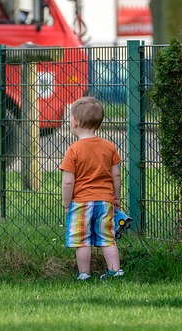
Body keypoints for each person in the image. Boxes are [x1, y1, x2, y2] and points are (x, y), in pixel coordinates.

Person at [60, 96, 124, 280]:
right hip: (105, 201)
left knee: (82, 241)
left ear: (75, 121)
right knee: (107, 238)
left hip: (81, 203)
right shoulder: (109, 147)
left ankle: (84, 274)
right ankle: (115, 271)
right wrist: (116, 198)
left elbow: (68, 182)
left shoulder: (74, 150)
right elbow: (116, 176)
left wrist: (67, 203)